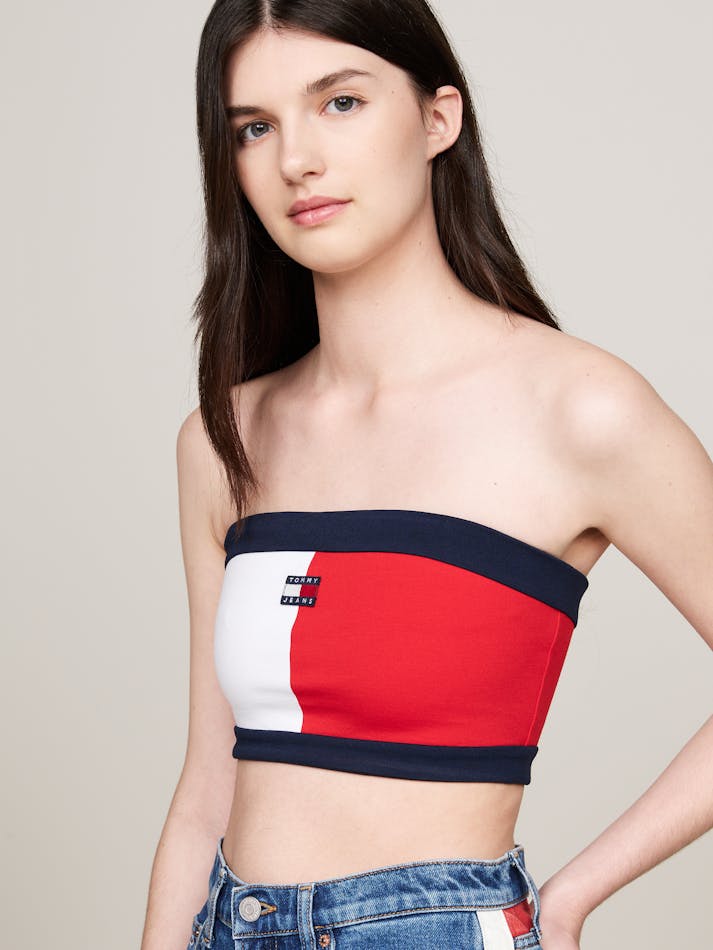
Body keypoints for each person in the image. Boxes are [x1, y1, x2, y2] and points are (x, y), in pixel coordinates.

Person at [140, 2, 713, 948]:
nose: (296, 160)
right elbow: (208, 786)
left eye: (340, 103)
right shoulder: (222, 439)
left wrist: (571, 896)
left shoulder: (578, 409)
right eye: (254, 127)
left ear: (438, 118)